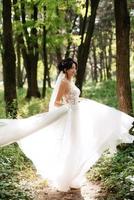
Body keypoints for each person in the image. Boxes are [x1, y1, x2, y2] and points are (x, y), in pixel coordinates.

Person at [0, 57, 134, 192]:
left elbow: (72, 96)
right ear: (65, 69)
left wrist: (80, 100)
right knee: (71, 144)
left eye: (75, 68)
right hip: (71, 116)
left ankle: (73, 177)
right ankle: (64, 178)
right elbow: (56, 102)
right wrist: (70, 106)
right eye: (72, 68)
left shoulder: (70, 81)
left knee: (77, 144)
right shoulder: (63, 82)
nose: (74, 70)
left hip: (76, 115)